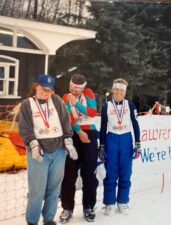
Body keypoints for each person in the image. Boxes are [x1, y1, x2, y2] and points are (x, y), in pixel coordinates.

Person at [18, 74, 78, 225]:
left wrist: (68, 141)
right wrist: (33, 145)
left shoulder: (56, 101)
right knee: (37, 190)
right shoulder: (27, 104)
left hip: (58, 152)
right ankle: (32, 221)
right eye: (43, 89)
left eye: (49, 90)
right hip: (39, 152)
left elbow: (65, 122)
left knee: (54, 189)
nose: (46, 93)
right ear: (36, 86)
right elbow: (25, 128)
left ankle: (49, 219)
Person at [60, 74, 99, 223]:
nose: (74, 91)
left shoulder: (88, 93)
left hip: (89, 132)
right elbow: (68, 118)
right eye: (72, 88)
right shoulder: (65, 97)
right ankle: (67, 207)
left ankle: (88, 206)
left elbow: (92, 112)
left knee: (89, 173)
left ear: (82, 88)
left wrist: (76, 103)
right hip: (73, 133)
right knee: (69, 173)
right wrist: (79, 132)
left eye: (77, 89)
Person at [99, 78, 141, 216]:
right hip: (111, 138)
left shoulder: (131, 105)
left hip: (126, 139)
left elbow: (135, 125)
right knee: (111, 172)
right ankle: (109, 203)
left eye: (122, 90)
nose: (119, 92)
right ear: (112, 90)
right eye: (116, 89)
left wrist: (138, 143)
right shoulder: (106, 106)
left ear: (125, 92)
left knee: (126, 171)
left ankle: (122, 201)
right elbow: (103, 127)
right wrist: (102, 145)